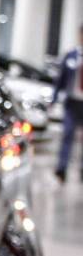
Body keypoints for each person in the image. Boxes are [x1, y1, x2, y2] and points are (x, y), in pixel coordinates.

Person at [52, 24, 83, 181]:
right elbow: (61, 79)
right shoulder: (71, 56)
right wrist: (54, 98)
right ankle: (62, 168)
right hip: (72, 102)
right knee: (67, 134)